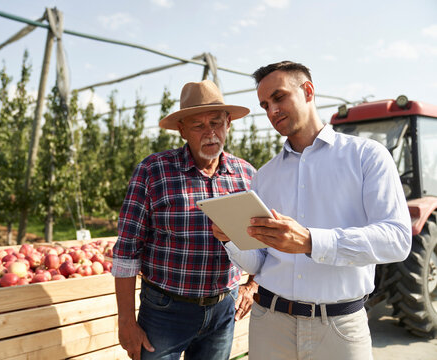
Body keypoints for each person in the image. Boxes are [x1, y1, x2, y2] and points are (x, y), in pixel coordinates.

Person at [213, 61, 412, 360]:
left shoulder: (366, 157)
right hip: (270, 322)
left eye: (279, 97)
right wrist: (230, 238)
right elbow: (259, 261)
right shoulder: (265, 176)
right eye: (265, 105)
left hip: (339, 328)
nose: (272, 111)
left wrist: (310, 241)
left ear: (308, 91)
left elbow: (397, 239)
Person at [112, 79, 258, 360]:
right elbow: (126, 251)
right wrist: (126, 321)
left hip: (222, 310)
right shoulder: (153, 172)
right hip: (165, 310)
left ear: (228, 122)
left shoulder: (246, 175)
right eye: (198, 126)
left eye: (216, 123)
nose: (210, 133)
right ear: (181, 130)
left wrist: (252, 285)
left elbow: (264, 240)